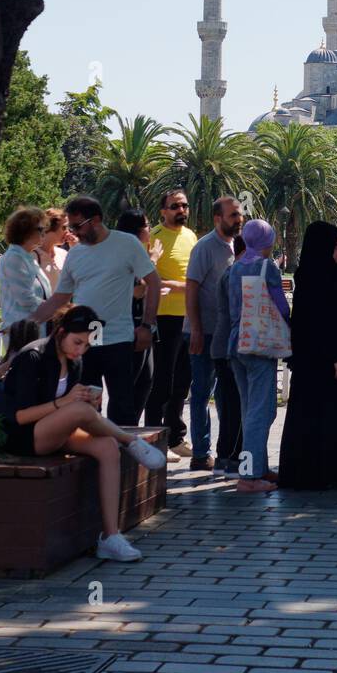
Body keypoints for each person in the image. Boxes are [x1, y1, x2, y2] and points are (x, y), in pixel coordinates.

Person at [0, 305, 166, 562]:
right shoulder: (33, 356)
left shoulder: (75, 362)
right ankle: (129, 440)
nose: (80, 350)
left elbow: (71, 413)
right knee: (79, 408)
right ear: (60, 332)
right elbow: (19, 417)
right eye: (77, 342)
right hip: (21, 438)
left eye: (87, 345)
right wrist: (67, 403)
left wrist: (88, 405)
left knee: (106, 447)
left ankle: (111, 537)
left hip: (52, 432)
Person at [32, 196, 160, 430]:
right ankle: (90, 460)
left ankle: (124, 460)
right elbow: (61, 296)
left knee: (122, 407)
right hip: (85, 341)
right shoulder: (76, 254)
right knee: (86, 405)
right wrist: (30, 320)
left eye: (78, 226)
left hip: (119, 338)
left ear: (97, 220)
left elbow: (153, 282)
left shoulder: (126, 244)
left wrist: (147, 325)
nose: (74, 232)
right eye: (70, 227)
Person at [278, 222, 337, 490]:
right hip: (321, 363)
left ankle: (329, 469)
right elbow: (317, 323)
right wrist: (336, 356)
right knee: (317, 416)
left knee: (332, 416)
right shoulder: (313, 278)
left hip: (332, 362)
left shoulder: (331, 273)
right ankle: (312, 472)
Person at [226, 219, 291, 493]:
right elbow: (280, 304)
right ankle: (250, 476)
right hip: (260, 344)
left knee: (248, 408)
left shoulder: (235, 267)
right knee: (260, 411)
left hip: (236, 343)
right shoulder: (268, 267)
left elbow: (231, 307)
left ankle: (259, 466)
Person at [184, 196, 244, 471]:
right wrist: (195, 328)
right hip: (204, 331)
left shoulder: (237, 245)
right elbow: (192, 287)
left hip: (226, 334)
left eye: (240, 214)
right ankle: (200, 453)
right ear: (217, 218)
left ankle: (225, 451)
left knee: (225, 394)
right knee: (201, 393)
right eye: (233, 215)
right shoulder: (205, 247)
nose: (238, 219)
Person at [145, 190, 198, 456]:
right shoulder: (153, 237)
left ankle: (175, 437)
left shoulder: (191, 236)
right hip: (164, 318)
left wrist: (189, 290)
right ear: (163, 211)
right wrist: (184, 287)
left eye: (184, 206)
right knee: (162, 381)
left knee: (183, 382)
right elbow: (147, 279)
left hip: (189, 318)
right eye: (175, 206)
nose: (181, 210)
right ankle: (154, 438)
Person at [115, 209, 160, 424]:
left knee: (146, 380)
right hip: (130, 327)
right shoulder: (126, 253)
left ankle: (130, 428)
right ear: (139, 230)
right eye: (147, 225)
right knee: (129, 384)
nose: (150, 229)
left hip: (145, 323)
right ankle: (121, 431)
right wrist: (153, 262)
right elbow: (137, 289)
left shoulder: (137, 252)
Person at [210, 234, 246, 480]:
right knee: (234, 405)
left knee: (230, 404)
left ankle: (226, 457)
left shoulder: (231, 271)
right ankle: (232, 458)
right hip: (230, 347)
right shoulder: (238, 273)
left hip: (224, 346)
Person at [0, 207, 53, 333]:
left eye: (45, 229)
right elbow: (26, 299)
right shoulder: (14, 258)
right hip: (20, 332)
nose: (44, 233)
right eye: (40, 229)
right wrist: (55, 309)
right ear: (24, 230)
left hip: (35, 327)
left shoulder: (28, 257)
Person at [36, 209, 69, 293]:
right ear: (49, 227)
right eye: (64, 227)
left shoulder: (64, 254)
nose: (68, 232)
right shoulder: (31, 256)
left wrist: (76, 248)